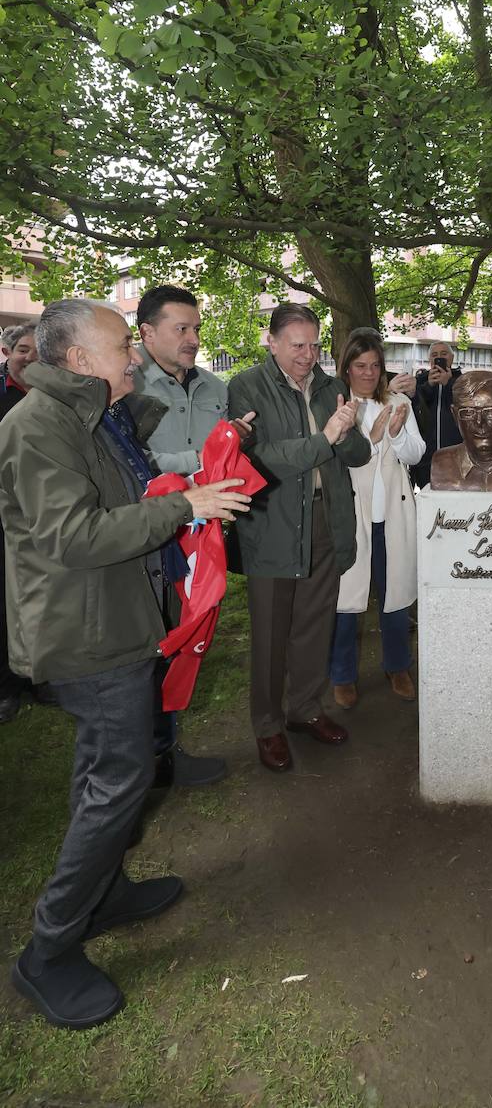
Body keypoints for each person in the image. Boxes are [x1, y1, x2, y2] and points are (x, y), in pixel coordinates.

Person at [0, 299, 249, 1029]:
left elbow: (129, 486)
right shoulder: (38, 427)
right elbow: (73, 536)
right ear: (77, 360)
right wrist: (186, 508)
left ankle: (103, 893)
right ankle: (48, 949)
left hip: (114, 620)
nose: (133, 356)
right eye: (120, 347)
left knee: (102, 767)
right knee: (121, 778)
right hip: (86, 635)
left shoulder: (97, 414)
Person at [227, 304, 370, 772]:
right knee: (271, 634)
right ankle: (267, 726)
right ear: (271, 341)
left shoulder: (331, 386)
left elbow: (358, 453)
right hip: (273, 523)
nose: (309, 355)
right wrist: (324, 439)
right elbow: (258, 458)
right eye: (297, 345)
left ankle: (305, 709)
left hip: (326, 521)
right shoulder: (246, 386)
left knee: (314, 625)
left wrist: (346, 432)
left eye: (314, 344)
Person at [133, 284, 254, 788]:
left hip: (202, 539)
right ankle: (137, 766)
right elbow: (135, 465)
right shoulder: (125, 388)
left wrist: (234, 444)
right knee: (146, 649)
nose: (193, 338)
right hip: (147, 539)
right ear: (147, 333)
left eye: (197, 328)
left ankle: (165, 751)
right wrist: (203, 461)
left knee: (187, 640)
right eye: (181, 329)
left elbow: (224, 456)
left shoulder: (214, 387)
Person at [330, 330, 425, 709]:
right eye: (360, 366)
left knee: (396, 593)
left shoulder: (399, 400)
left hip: (394, 511)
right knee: (347, 598)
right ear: (347, 368)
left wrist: (399, 435)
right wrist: (369, 437)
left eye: (374, 366)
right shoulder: (339, 405)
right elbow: (338, 458)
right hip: (353, 513)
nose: (368, 373)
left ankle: (397, 665)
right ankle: (342, 674)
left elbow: (417, 454)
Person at [0, 324, 39, 722]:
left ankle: (38, 677)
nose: (30, 358)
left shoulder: (47, 397)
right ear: (7, 351)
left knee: (33, 596)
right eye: (23, 350)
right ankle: (6, 687)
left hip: (40, 511)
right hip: (6, 511)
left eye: (37, 351)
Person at [411, 342, 463, 489]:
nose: (439, 358)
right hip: (426, 458)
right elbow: (415, 408)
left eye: (443, 354)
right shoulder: (419, 382)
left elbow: (463, 407)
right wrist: (429, 386)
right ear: (429, 360)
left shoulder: (462, 382)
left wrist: (448, 384)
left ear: (452, 358)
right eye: (434, 355)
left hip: (455, 458)